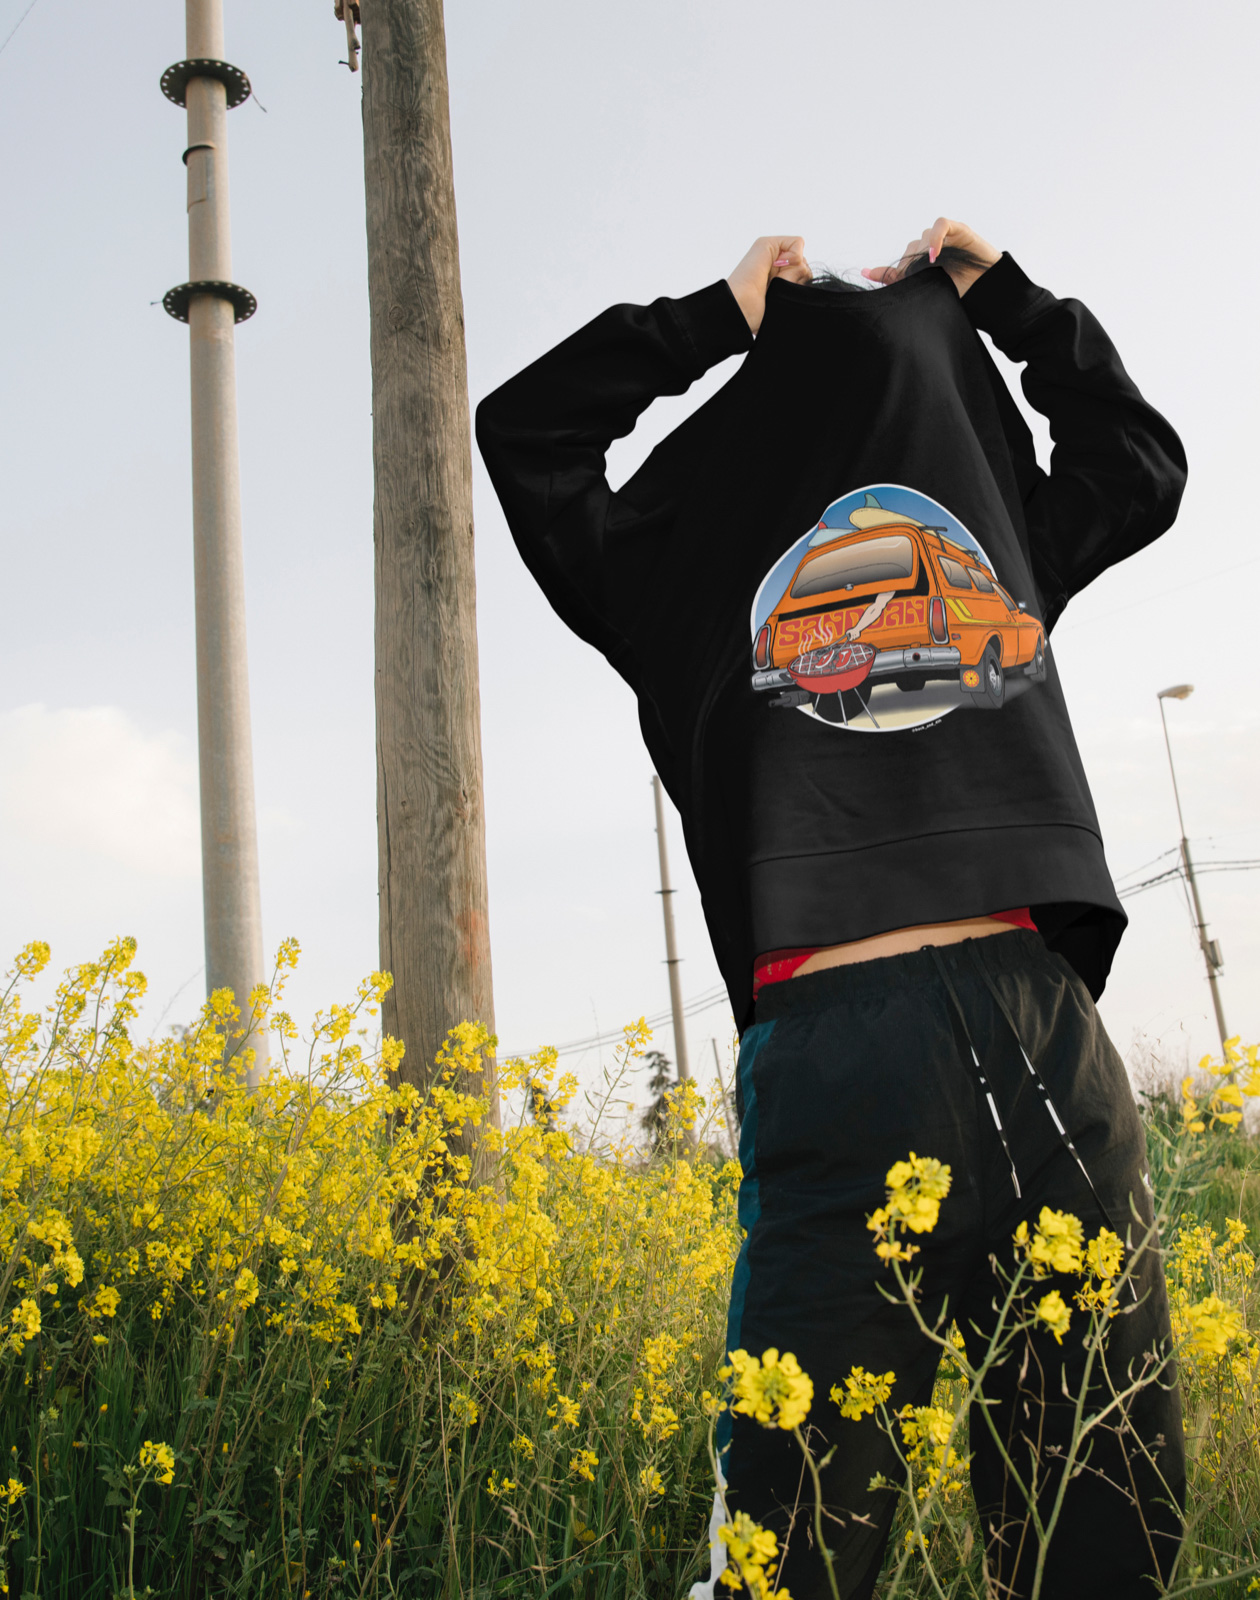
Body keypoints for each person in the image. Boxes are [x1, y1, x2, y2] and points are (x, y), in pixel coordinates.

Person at [478, 219, 1188, 1599]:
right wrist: (999, 299)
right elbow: (1134, 460)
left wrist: (715, 319)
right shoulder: (932, 528)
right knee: (978, 1548)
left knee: (895, 1546)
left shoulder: (711, 552)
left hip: (902, 1039)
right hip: (1001, 1036)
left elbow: (531, 433)